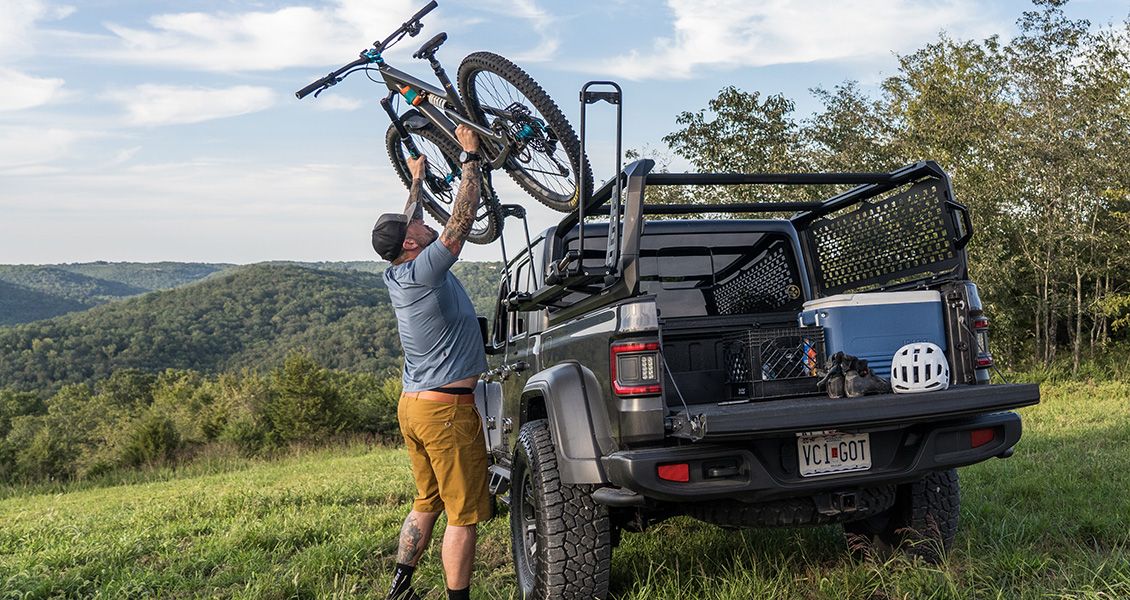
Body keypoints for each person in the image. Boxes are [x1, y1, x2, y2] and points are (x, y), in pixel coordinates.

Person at [371, 124, 491, 600]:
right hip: (445, 411)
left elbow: (409, 223)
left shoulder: (396, 272)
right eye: (416, 229)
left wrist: (416, 182)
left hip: (414, 407)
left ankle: (399, 587)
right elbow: (460, 224)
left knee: (428, 500)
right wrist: (469, 158)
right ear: (411, 245)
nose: (424, 224)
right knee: (462, 514)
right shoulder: (425, 268)